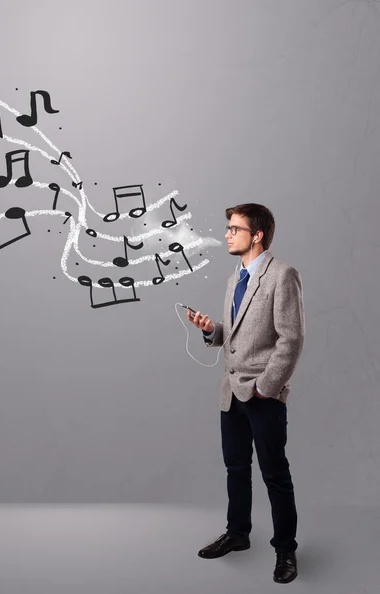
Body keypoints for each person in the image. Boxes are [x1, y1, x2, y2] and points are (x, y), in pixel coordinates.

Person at [187, 203, 305, 584]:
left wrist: (266, 388)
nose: (227, 234)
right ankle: (238, 534)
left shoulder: (283, 275)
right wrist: (211, 330)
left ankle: (285, 550)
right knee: (236, 469)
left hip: (262, 396)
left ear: (256, 235)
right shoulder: (235, 275)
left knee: (275, 474)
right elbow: (237, 334)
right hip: (230, 394)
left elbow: (291, 338)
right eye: (227, 227)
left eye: (234, 228)